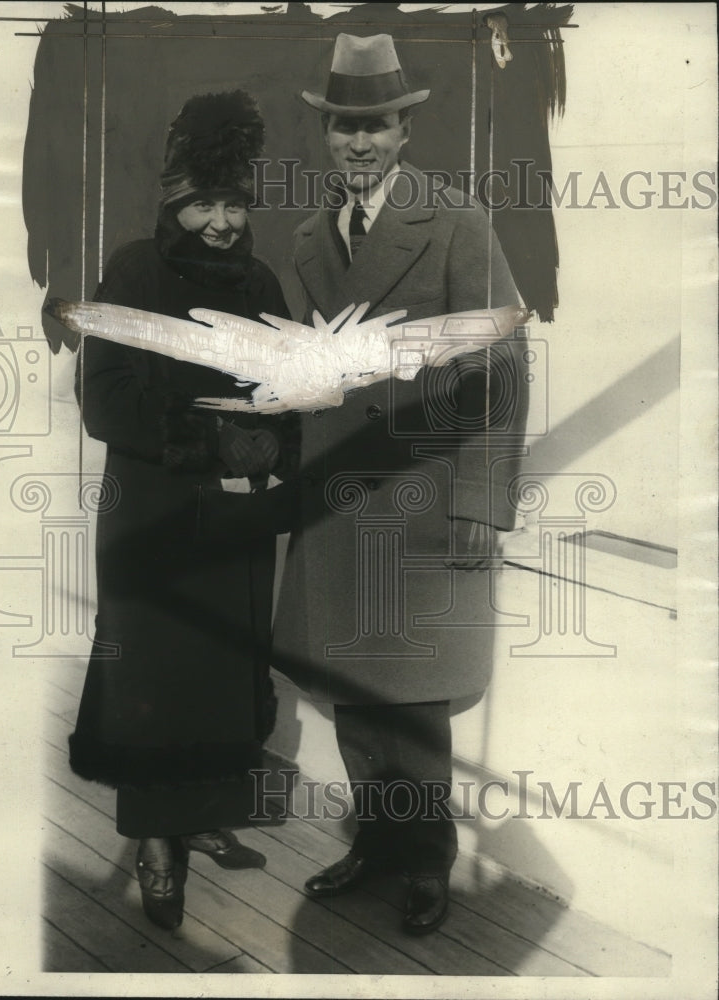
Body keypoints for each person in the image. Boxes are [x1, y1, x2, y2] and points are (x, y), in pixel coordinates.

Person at [273, 34, 529, 934]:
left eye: (374, 125)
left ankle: (425, 862)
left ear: (404, 128)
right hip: (334, 505)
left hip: (422, 505)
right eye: (344, 126)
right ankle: (376, 845)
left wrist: (480, 502)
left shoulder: (458, 224)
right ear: (328, 132)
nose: (357, 143)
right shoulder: (308, 235)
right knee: (351, 687)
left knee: (413, 697)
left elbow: (500, 367)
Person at [65, 91, 298, 930]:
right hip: (153, 514)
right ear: (172, 202)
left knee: (223, 668)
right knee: (154, 674)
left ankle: (199, 814)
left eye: (235, 202)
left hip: (235, 520)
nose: (221, 221)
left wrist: (271, 445)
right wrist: (209, 442)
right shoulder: (133, 271)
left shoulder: (264, 282)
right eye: (203, 202)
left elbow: (289, 397)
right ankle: (155, 844)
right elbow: (106, 402)